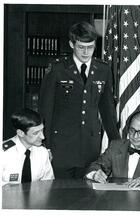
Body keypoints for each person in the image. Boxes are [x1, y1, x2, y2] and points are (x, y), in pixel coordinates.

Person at [39, 21, 120, 179]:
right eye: (81, 47)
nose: (86, 52)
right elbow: (45, 109)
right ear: (71, 44)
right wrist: (45, 145)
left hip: (91, 146)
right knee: (61, 195)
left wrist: (116, 142)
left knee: (89, 196)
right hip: (61, 146)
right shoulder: (57, 69)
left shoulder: (103, 70)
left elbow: (107, 109)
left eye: (90, 47)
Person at [2, 108, 54, 185]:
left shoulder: (42, 152)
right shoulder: (3, 153)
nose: (43, 137)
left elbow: (48, 184)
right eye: (36, 133)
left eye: (42, 130)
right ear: (21, 133)